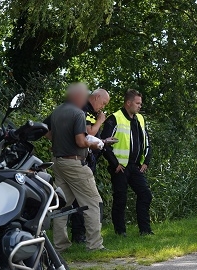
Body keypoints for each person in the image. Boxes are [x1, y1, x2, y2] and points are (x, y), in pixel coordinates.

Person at [45, 82, 106, 252]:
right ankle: (95, 245)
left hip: (58, 162)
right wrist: (94, 145)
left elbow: (45, 130)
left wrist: (57, 140)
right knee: (93, 202)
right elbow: (80, 141)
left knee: (62, 205)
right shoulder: (78, 114)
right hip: (75, 163)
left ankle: (60, 246)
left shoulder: (57, 111)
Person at [101, 89, 154, 237]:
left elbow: (148, 142)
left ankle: (145, 230)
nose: (140, 106)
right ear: (128, 103)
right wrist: (114, 163)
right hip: (120, 168)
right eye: (137, 103)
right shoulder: (114, 118)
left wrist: (146, 162)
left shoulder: (140, 119)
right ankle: (120, 231)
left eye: (140, 103)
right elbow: (103, 144)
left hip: (136, 166)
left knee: (145, 195)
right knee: (120, 199)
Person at [70, 88, 111, 244]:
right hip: (81, 161)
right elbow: (87, 134)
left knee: (76, 200)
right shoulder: (84, 110)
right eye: (103, 103)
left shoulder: (88, 111)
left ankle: (77, 236)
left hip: (86, 160)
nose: (103, 107)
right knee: (88, 200)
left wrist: (104, 141)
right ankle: (82, 237)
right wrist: (100, 121)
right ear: (97, 97)